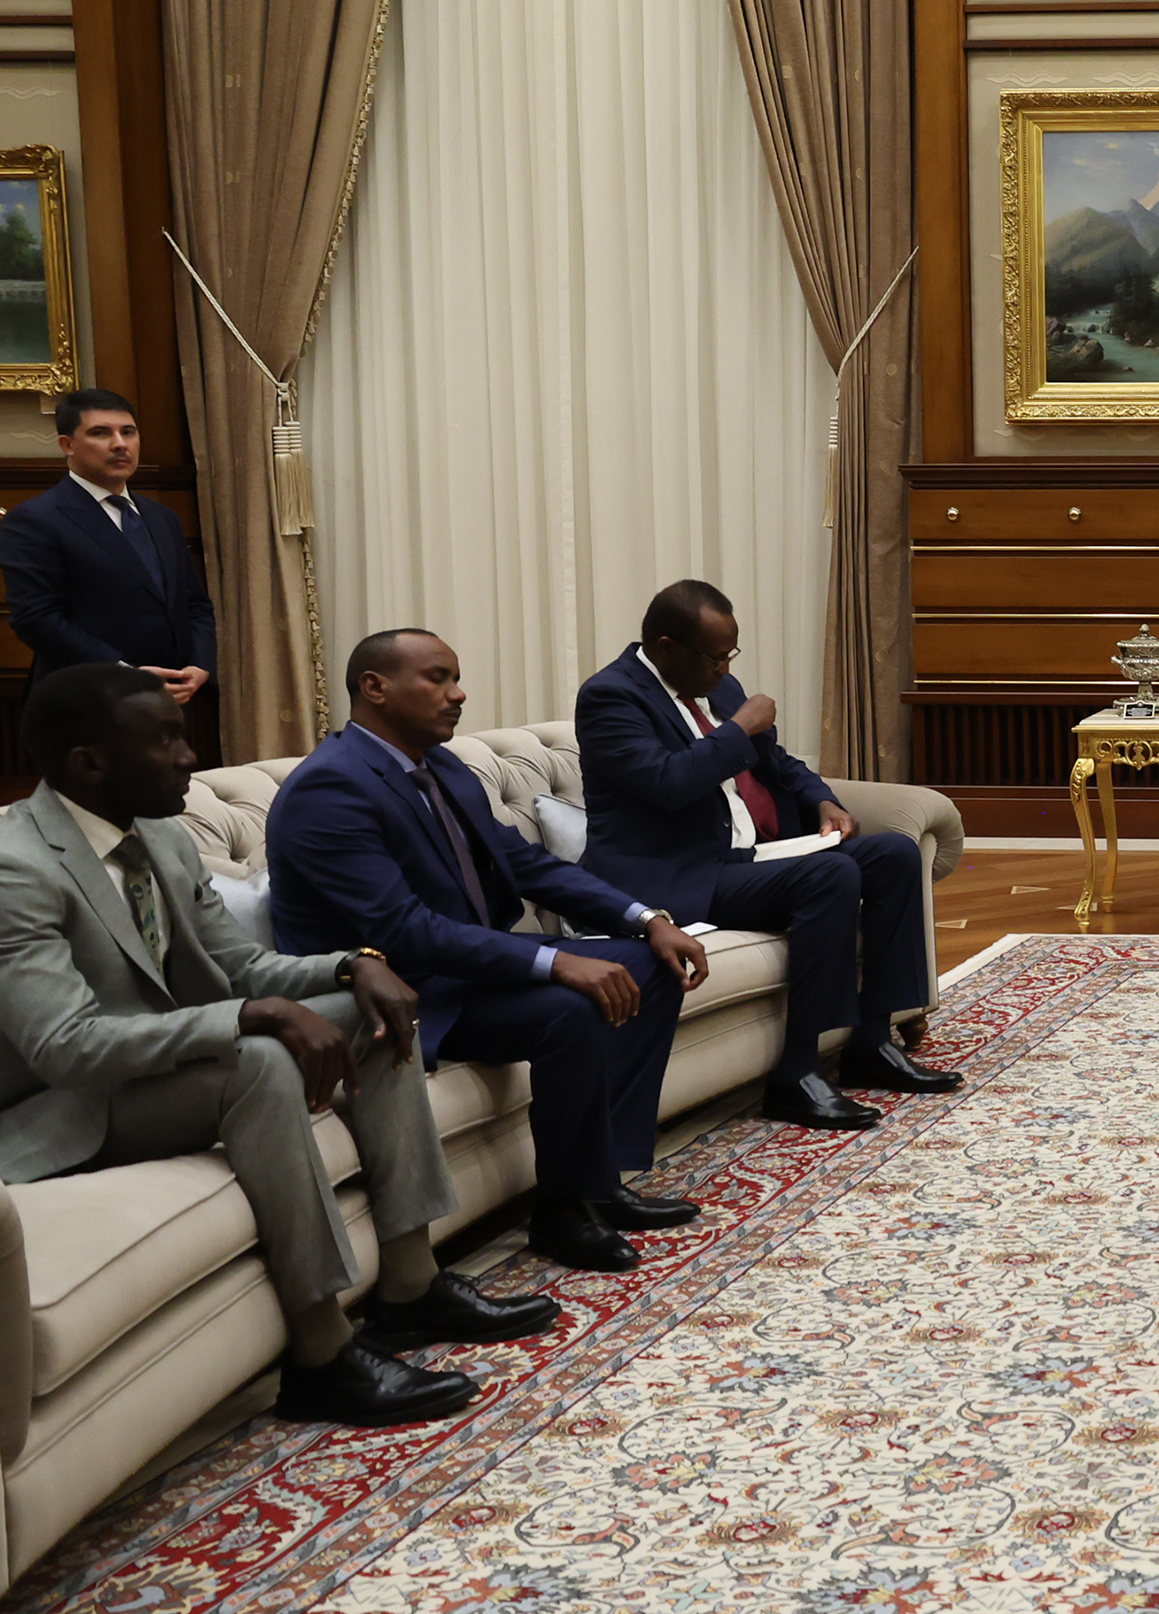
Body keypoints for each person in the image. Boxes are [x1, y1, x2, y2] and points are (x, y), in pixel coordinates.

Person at [0, 663, 557, 1425]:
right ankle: (321, 1354)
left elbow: (239, 965)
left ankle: (410, 1284)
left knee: (374, 1009)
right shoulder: (16, 869)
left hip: (165, 1066)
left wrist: (352, 965)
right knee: (258, 1057)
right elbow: (65, 1047)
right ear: (88, 763)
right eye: (165, 740)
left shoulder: (157, 833)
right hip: (73, 1105)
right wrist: (246, 1017)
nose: (190, 757)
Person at [267, 630, 710, 1275]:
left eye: (456, 678)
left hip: (465, 970)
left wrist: (645, 919)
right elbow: (405, 931)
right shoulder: (330, 789)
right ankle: (562, 1211)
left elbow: (524, 863)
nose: (458, 694)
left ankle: (599, 1178)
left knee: (652, 964)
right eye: (438, 679)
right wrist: (556, 961)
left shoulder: (440, 765)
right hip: (404, 993)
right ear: (374, 687)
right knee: (571, 1009)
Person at [574, 580, 957, 1123]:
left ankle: (873, 1044)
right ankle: (797, 1073)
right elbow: (667, 783)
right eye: (714, 659)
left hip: (746, 859)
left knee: (893, 855)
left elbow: (778, 763)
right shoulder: (610, 697)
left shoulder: (717, 686)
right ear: (666, 648)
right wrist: (738, 729)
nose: (724, 670)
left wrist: (823, 801)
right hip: (678, 875)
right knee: (830, 876)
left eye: (730, 655)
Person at [0, 388, 217, 719]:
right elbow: (36, 619)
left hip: (169, 702)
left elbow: (194, 605)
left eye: (128, 432)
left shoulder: (161, 516)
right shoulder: (35, 519)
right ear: (67, 445)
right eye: (101, 433)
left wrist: (200, 664)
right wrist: (125, 674)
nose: (120, 444)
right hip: (86, 707)